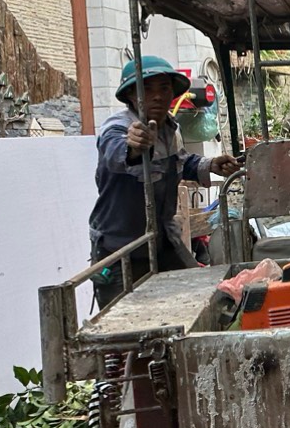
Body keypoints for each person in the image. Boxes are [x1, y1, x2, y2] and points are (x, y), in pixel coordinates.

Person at [88, 56, 241, 308]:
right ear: (129, 95)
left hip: (163, 240)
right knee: (126, 321)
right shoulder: (117, 128)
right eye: (146, 89)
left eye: (163, 88)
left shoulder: (170, 128)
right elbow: (117, 152)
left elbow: (181, 163)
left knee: (205, 299)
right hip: (120, 249)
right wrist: (134, 147)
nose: (157, 96)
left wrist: (212, 164)